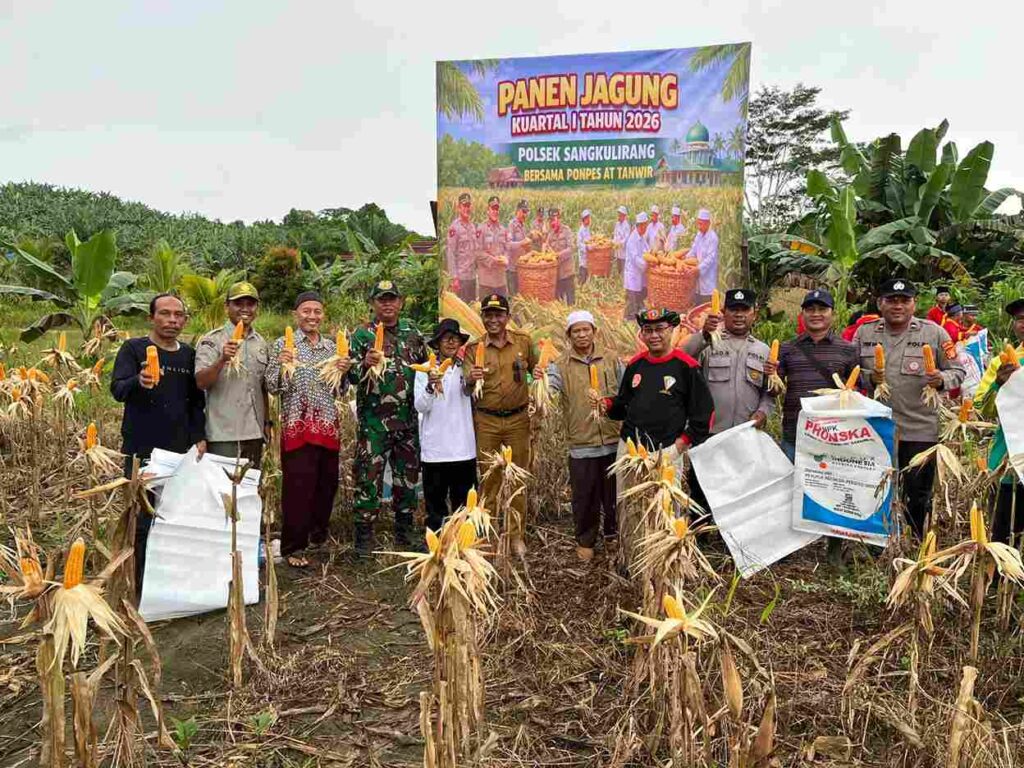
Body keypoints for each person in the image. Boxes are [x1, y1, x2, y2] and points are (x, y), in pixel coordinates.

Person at [854, 278, 965, 538]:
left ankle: (915, 544)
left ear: (914, 304)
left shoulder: (935, 333)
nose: (898, 306)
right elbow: (850, 371)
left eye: (905, 301)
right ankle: (877, 542)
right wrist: (868, 378)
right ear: (880, 303)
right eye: (891, 300)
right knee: (876, 489)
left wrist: (942, 380)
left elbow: (958, 371)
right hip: (876, 429)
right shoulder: (864, 333)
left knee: (917, 494)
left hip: (919, 428)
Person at [111, 293, 206, 591]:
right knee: (140, 518)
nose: (172, 320)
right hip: (142, 450)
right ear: (151, 317)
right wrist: (138, 381)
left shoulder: (188, 355)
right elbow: (117, 389)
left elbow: (195, 402)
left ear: (185, 320)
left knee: (174, 517)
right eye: (165, 314)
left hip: (179, 449)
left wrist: (200, 437)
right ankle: (138, 582)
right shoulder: (133, 349)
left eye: (178, 315)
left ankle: (167, 580)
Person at [593, 308, 714, 511]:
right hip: (630, 450)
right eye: (648, 330)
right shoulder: (635, 365)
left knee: (663, 512)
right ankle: (630, 544)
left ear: (672, 330)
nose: (654, 335)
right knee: (630, 508)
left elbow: (704, 413)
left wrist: (681, 444)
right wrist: (605, 405)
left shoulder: (686, 367)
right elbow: (623, 406)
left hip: (666, 450)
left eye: (660, 329)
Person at [265, 291, 352, 567]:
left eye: (317, 311)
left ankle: (318, 537)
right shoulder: (282, 344)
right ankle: (293, 546)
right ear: (296, 314)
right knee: (298, 487)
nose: (312, 316)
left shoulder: (331, 348)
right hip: (297, 427)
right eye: (306, 311)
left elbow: (341, 390)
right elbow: (272, 386)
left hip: (327, 426)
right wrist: (281, 365)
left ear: (323, 315)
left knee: (326, 485)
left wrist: (344, 370)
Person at [348, 281, 429, 555]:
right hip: (373, 425)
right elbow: (348, 377)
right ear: (373, 303)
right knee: (368, 480)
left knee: (406, 480)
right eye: (381, 299)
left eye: (392, 299)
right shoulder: (361, 336)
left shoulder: (413, 334)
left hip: (407, 423)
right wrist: (364, 365)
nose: (387, 304)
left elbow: (427, 369)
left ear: (401, 302)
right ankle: (364, 539)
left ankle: (404, 532)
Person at [545, 310, 623, 561]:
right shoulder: (560, 365)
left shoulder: (611, 360)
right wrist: (538, 382)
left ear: (594, 332)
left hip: (612, 439)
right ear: (569, 336)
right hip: (582, 443)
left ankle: (613, 535)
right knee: (584, 496)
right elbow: (548, 390)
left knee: (613, 494)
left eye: (585, 329)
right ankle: (586, 539)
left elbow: (626, 394)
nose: (581, 334)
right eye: (576, 331)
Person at [465, 293, 537, 555]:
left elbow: (538, 370)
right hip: (487, 421)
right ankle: (489, 536)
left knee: (517, 479)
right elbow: (465, 386)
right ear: (483, 317)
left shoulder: (524, 343)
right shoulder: (474, 349)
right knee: (489, 480)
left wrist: (539, 376)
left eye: (498, 314)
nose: (493, 319)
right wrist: (471, 379)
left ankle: (516, 536)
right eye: (488, 315)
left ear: (507, 317)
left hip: (518, 420)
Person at [766, 289, 858, 462]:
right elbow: (773, 392)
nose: (816, 314)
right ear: (803, 314)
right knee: (792, 487)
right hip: (795, 435)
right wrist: (771, 375)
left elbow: (858, 390)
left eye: (822, 309)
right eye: (810, 309)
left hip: (834, 437)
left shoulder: (848, 349)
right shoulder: (787, 348)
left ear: (833, 314)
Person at [194, 281, 270, 466]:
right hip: (223, 434)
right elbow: (201, 383)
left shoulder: (261, 343)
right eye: (238, 303)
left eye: (250, 304)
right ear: (227, 306)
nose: (245, 309)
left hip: (255, 432)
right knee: (224, 491)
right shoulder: (212, 340)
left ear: (256, 307)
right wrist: (222, 360)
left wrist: (267, 423)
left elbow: (263, 388)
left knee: (250, 490)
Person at [414, 319, 476, 532]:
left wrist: (474, 381)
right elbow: (421, 406)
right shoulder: (424, 370)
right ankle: (437, 549)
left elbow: (474, 394)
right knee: (436, 509)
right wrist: (431, 386)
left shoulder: (466, 370)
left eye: (455, 338)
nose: (451, 342)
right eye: (446, 338)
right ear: (437, 343)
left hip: (463, 449)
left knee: (464, 507)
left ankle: (463, 546)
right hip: (435, 451)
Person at [684, 289, 773, 434]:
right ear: (723, 312)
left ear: (755, 314)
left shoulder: (763, 350)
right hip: (711, 433)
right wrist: (705, 334)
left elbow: (768, 392)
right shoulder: (708, 342)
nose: (739, 315)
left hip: (747, 433)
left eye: (744, 310)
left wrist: (763, 412)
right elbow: (685, 356)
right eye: (733, 309)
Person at [973, 298, 1024, 543]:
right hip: (1008, 457)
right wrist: (999, 385)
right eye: (1020, 319)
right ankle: (1000, 578)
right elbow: (982, 409)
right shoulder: (1000, 363)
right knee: (1004, 528)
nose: (1023, 323)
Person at [447, 192, 479, 303]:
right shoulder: (454, 227)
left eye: (468, 206)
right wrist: (454, 278)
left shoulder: (472, 226)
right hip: (461, 278)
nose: (467, 208)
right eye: (464, 206)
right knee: (462, 312)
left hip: (472, 277)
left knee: (472, 308)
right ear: (459, 208)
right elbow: (451, 253)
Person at [478, 195, 508, 299]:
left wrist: (506, 258)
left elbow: (507, 249)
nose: (495, 211)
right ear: (488, 210)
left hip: (501, 281)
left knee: (503, 311)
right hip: (487, 282)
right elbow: (477, 252)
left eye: (497, 209)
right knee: (485, 313)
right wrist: (493, 260)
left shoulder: (503, 229)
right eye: (492, 208)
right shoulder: (481, 229)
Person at [623, 212, 650, 319]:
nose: (646, 228)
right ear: (640, 225)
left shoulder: (641, 237)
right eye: (645, 226)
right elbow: (635, 258)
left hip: (640, 273)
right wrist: (646, 265)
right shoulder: (632, 240)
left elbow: (647, 250)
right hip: (633, 274)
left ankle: (637, 314)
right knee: (632, 299)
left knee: (640, 295)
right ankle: (628, 318)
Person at [546, 207, 575, 305]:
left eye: (554, 219)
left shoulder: (566, 231)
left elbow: (571, 248)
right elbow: (547, 248)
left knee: (570, 299)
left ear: (559, 219)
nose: (552, 222)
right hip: (557, 273)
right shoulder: (550, 234)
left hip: (567, 271)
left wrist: (558, 254)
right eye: (550, 220)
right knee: (559, 299)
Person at [691, 209, 719, 305]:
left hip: (707, 279)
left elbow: (710, 258)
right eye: (698, 224)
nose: (699, 227)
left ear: (708, 223)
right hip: (698, 279)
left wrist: (698, 268)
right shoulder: (699, 235)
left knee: (706, 307)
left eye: (701, 224)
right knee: (697, 307)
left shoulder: (713, 238)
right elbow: (693, 250)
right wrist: (684, 260)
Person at [506, 199, 531, 295]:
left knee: (520, 295)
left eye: (526, 212)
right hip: (512, 269)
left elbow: (524, 246)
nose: (525, 215)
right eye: (523, 212)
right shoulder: (512, 225)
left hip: (520, 267)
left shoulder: (523, 226)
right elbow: (508, 245)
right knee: (513, 296)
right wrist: (522, 243)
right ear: (518, 211)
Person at [612, 205, 630, 277]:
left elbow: (626, 238)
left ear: (624, 215)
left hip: (623, 251)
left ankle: (623, 282)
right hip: (617, 250)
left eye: (620, 215)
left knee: (623, 267)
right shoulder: (617, 224)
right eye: (618, 214)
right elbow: (615, 235)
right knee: (618, 267)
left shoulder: (626, 226)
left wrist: (620, 243)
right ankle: (619, 278)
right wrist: (613, 242)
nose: (619, 216)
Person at [577, 209, 592, 285]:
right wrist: (586, 247)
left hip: (587, 256)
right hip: (583, 256)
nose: (589, 220)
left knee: (586, 273)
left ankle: (583, 286)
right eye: (587, 218)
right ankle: (580, 286)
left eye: (589, 218)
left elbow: (588, 239)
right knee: (582, 273)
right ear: (584, 219)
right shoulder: (581, 230)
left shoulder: (587, 228)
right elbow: (579, 244)